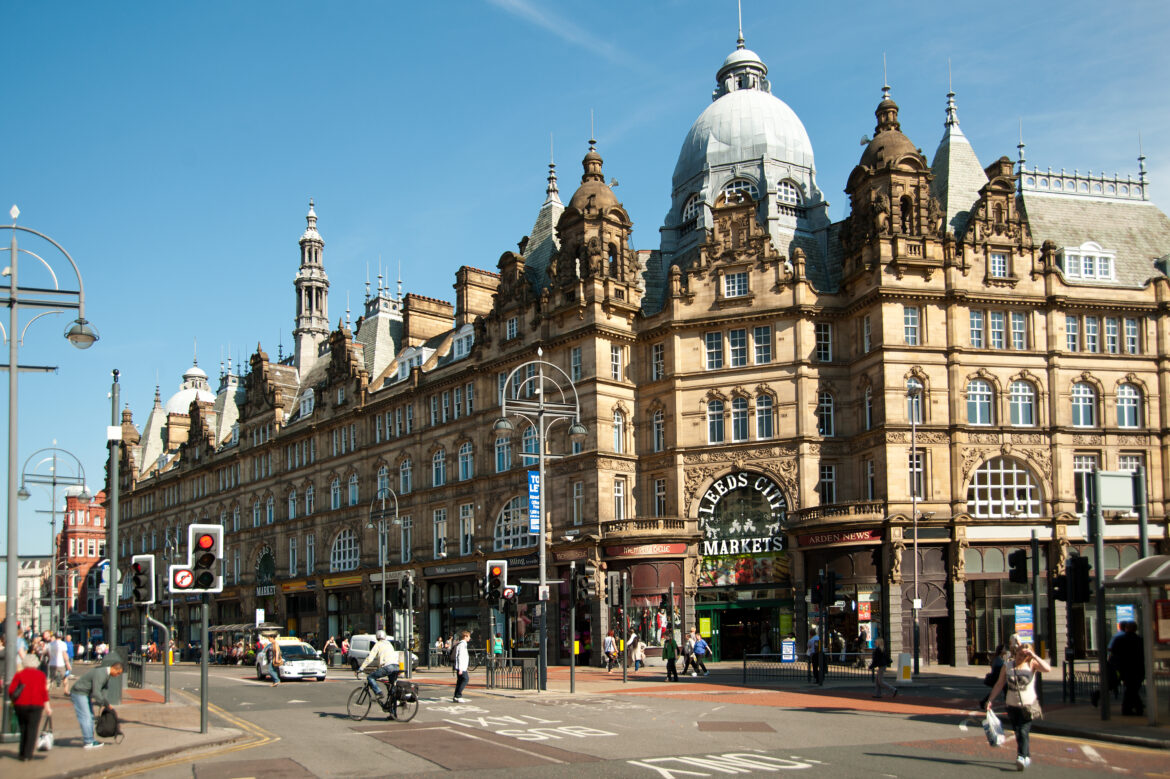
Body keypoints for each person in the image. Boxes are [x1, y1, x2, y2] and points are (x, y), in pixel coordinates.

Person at [986, 634, 1051, 771]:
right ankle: (1026, 756)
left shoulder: (1031, 664)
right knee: (1018, 731)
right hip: (1011, 705)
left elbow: (1047, 668)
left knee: (1022, 731)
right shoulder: (1007, 666)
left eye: (1025, 656)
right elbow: (999, 684)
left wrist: (1034, 656)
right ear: (1016, 653)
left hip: (1027, 706)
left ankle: (1021, 756)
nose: (1022, 657)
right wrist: (990, 700)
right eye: (1020, 654)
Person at [70, 660, 124, 749]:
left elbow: (102, 691)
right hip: (79, 692)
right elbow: (96, 692)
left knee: (90, 716)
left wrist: (105, 703)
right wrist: (105, 704)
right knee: (86, 717)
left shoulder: (106, 675)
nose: (117, 675)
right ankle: (88, 742)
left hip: (85, 693)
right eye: (118, 673)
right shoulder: (101, 674)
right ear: (114, 669)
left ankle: (90, 739)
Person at [8, 653, 51, 761]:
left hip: (20, 705)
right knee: (32, 730)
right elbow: (43, 692)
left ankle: (21, 752)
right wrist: (48, 707)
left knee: (23, 729)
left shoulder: (19, 674)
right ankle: (28, 754)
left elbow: (11, 690)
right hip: (36, 705)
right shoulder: (41, 675)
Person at [1111, 621, 1145, 716]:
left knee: (1131, 689)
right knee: (1132, 689)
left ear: (1126, 628)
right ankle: (1135, 708)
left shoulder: (1119, 639)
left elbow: (1113, 652)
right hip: (1138, 668)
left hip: (1124, 669)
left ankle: (1132, 708)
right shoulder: (1140, 640)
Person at [358, 630, 400, 699]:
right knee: (392, 685)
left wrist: (361, 668)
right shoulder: (389, 644)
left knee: (370, 677)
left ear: (377, 637)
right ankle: (393, 704)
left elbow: (370, 658)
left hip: (388, 667)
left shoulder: (378, 644)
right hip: (396, 666)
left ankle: (379, 693)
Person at [979, 644, 1007, 709]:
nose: (1005, 650)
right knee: (1005, 689)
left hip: (997, 678)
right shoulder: (998, 659)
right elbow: (999, 669)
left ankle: (984, 702)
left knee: (998, 690)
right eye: (1004, 648)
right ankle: (984, 702)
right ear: (1001, 650)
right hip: (997, 678)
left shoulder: (999, 658)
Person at [452, 630, 471, 702]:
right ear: (465, 637)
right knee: (465, 679)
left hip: (461, 667)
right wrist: (460, 668)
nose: (469, 638)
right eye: (469, 636)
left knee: (459, 681)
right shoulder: (462, 645)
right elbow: (460, 657)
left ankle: (456, 696)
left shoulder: (462, 644)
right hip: (461, 667)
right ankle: (458, 695)